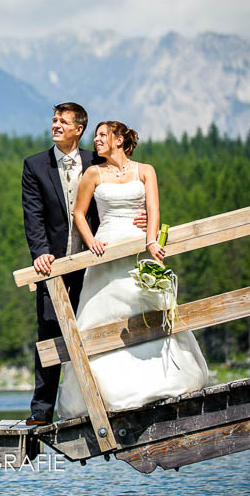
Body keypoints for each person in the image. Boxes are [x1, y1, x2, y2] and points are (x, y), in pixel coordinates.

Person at [56, 121, 209, 418]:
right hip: (107, 246)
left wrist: (152, 240)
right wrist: (91, 242)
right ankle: (109, 391)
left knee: (149, 308)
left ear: (119, 139)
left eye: (102, 136)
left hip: (138, 246)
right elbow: (79, 212)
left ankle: (165, 379)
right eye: (96, 136)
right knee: (104, 313)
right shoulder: (93, 173)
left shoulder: (145, 171)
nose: (96, 141)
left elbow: (154, 211)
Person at [21, 103, 146, 426]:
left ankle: (107, 396)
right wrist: (40, 252)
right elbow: (33, 215)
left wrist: (141, 219)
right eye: (53, 120)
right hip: (54, 264)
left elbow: (122, 187)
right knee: (49, 330)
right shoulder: (35, 165)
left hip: (95, 261)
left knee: (97, 324)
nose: (55, 125)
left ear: (79, 129)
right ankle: (42, 407)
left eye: (63, 121)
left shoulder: (96, 160)